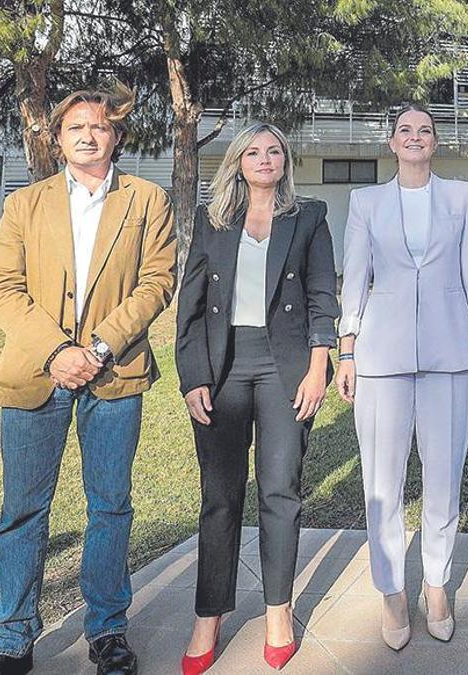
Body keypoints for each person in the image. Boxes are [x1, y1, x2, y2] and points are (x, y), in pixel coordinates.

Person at [0, 82, 176, 675]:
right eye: (75, 128)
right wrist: (59, 351)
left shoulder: (147, 200)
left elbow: (157, 281)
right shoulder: (25, 204)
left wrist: (98, 345)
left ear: (116, 134)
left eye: (100, 126)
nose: (88, 136)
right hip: (37, 376)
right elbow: (2, 289)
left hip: (114, 377)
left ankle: (107, 633)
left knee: (110, 507)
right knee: (22, 511)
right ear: (57, 138)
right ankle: (12, 641)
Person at [174, 122, 339, 672]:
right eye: (253, 151)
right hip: (223, 368)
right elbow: (190, 306)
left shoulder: (309, 216)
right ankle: (209, 615)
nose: (264, 158)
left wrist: (319, 366)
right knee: (220, 496)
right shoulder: (211, 220)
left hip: (286, 367)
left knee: (280, 490)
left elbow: (322, 296)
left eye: (273, 150)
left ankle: (277, 612)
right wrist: (193, 375)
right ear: (238, 162)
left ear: (285, 160)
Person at [334, 103, 468, 650]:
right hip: (381, 356)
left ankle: (437, 584)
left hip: (451, 350)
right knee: (382, 483)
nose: (415, 137)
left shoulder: (462, 197)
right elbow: (355, 274)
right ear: (392, 142)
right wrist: (347, 348)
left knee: (444, 477)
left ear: (435, 141)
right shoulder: (366, 201)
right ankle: (392, 592)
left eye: (424, 130)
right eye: (405, 130)